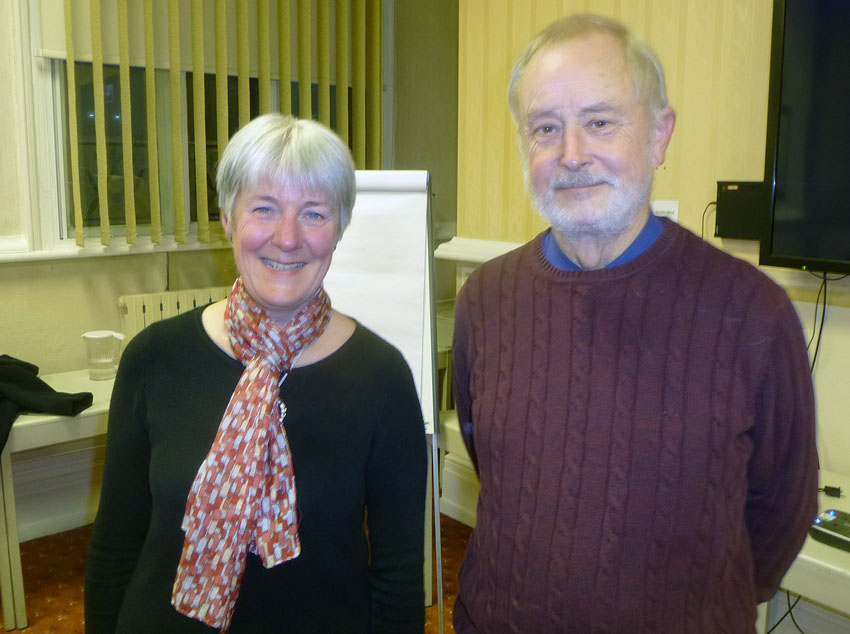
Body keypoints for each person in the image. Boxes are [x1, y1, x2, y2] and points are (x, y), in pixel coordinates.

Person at [451, 14, 818, 634]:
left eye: (600, 121)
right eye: (546, 128)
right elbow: (495, 464)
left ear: (659, 135)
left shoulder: (752, 315)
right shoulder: (485, 298)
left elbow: (781, 511)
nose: (571, 154)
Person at [85, 113, 427, 633]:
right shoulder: (154, 357)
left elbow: (398, 577)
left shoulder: (381, 377)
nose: (287, 239)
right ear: (227, 218)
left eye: (314, 214)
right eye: (264, 208)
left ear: (340, 227)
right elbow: (116, 545)